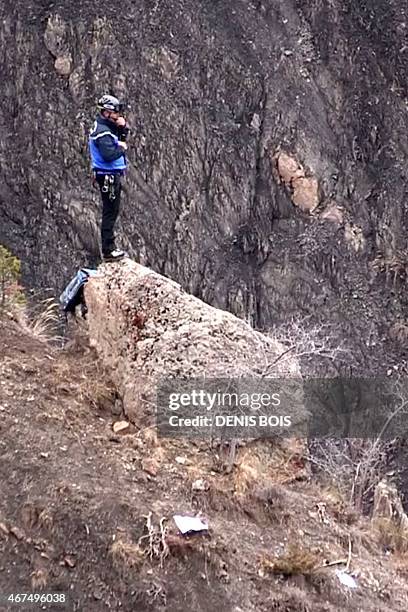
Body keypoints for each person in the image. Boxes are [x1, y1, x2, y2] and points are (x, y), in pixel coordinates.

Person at [89, 94, 130, 261]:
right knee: (110, 211)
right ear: (106, 113)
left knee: (112, 210)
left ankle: (109, 247)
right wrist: (122, 148)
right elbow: (109, 154)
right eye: (115, 113)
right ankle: (108, 248)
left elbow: (118, 139)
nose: (118, 116)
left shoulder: (105, 127)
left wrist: (122, 129)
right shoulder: (103, 133)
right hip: (108, 176)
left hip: (109, 175)